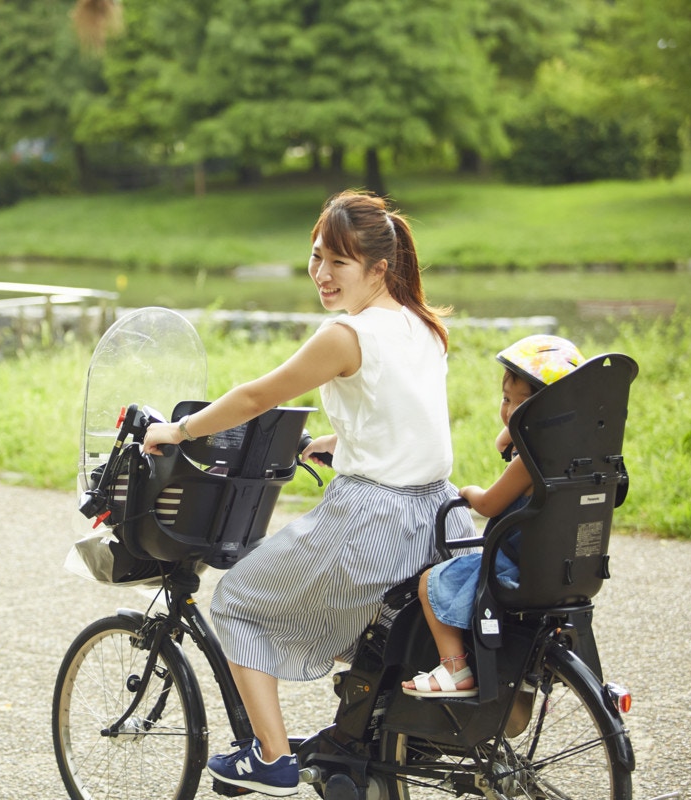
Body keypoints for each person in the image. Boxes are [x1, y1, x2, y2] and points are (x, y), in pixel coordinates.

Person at [141, 189, 475, 797]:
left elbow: (255, 397)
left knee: (239, 599)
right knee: (367, 633)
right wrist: (340, 441)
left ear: (379, 268)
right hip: (438, 517)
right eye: (316, 256)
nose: (322, 273)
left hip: (375, 523)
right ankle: (363, 743)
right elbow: (402, 418)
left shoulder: (346, 334)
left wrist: (180, 430)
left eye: (338, 262)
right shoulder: (423, 325)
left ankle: (271, 758)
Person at [401, 334, 585, 698]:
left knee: (429, 582)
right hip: (566, 566)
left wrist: (469, 492)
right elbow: (505, 441)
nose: (510, 410)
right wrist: (517, 424)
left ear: (550, 407)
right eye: (505, 399)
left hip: (517, 566)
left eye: (522, 403)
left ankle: (454, 668)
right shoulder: (576, 452)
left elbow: (490, 505)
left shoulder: (529, 462)